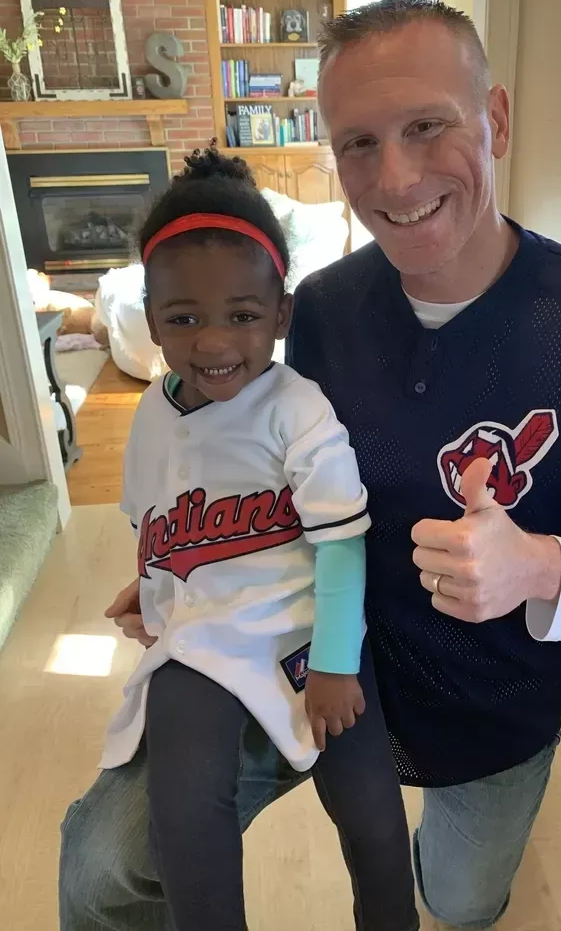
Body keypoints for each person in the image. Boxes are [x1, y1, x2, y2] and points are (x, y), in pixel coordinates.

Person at [60, 0, 561, 930]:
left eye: (428, 127)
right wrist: (180, 568)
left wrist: (544, 567)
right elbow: (235, 459)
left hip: (487, 708)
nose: (395, 176)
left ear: (495, 121)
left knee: (458, 900)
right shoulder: (312, 313)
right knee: (104, 863)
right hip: (296, 657)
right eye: (358, 144)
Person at [67, 145, 418, 931]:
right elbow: (150, 519)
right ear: (149, 321)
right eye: (184, 318)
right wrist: (154, 587)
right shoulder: (152, 413)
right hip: (205, 640)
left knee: (372, 819)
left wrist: (332, 664)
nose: (215, 342)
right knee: (184, 814)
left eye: (243, 315)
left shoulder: (299, 409)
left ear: (281, 315)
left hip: (308, 628)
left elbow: (341, 544)